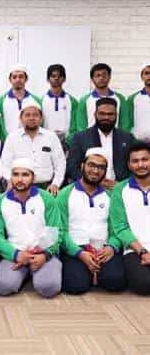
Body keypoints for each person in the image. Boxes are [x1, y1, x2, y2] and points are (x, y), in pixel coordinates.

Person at [58, 148, 126, 294]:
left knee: (115, 282)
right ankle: (88, 272)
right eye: (91, 165)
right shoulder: (65, 194)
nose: (95, 171)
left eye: (101, 167)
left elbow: (117, 227)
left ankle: (96, 272)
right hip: (75, 248)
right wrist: (79, 253)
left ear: (105, 171)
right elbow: (60, 230)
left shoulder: (111, 196)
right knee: (75, 285)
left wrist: (112, 247)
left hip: (103, 248)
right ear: (82, 166)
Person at [0, 158, 62, 298]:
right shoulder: (0, 202)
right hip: (15, 253)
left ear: (33, 178)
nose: (20, 179)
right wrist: (16, 255)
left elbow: (56, 232)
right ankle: (26, 272)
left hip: (43, 253)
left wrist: (45, 255)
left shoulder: (46, 198)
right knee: (4, 287)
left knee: (48, 288)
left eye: (25, 175)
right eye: (15, 174)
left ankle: (36, 271)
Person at [67, 97, 135, 189]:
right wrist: (94, 182)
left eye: (110, 114)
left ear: (116, 115)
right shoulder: (80, 137)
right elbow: (72, 168)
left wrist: (122, 185)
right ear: (95, 114)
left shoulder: (127, 138)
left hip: (120, 188)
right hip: (90, 188)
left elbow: (135, 166)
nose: (106, 117)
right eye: (102, 114)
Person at [110, 141, 150, 295]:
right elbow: (120, 227)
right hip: (135, 249)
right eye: (135, 161)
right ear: (129, 165)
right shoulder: (120, 189)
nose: (140, 165)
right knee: (143, 284)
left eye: (145, 159)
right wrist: (142, 252)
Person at [1, 102, 65, 196]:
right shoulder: (12, 138)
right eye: (27, 115)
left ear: (41, 119)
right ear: (21, 118)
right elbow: (5, 164)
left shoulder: (51, 137)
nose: (31, 118)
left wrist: (56, 183)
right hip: (19, 186)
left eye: (35, 115)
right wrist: (9, 181)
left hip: (47, 187)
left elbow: (60, 163)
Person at [0, 64, 41, 141]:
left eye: (21, 77)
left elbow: (40, 123)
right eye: (14, 77)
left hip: (31, 142)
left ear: (26, 79)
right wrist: (7, 139)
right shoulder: (0, 101)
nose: (18, 80)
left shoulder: (36, 100)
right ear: (10, 80)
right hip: (7, 142)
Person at [77, 63, 129, 131]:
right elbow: (81, 125)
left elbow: (124, 124)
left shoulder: (120, 99)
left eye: (104, 75)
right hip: (90, 137)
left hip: (115, 137)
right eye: (97, 75)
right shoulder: (84, 100)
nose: (101, 78)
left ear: (109, 77)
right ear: (92, 78)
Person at [40, 64, 77, 146]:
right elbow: (39, 124)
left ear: (64, 79)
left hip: (67, 143)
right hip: (46, 142)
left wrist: (68, 141)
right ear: (48, 79)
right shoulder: (41, 101)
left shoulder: (72, 101)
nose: (56, 78)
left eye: (60, 76)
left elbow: (74, 125)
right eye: (53, 76)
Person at [127, 64, 150, 142]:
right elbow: (128, 122)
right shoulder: (132, 98)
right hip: (138, 142)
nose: (149, 76)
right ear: (142, 77)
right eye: (146, 73)